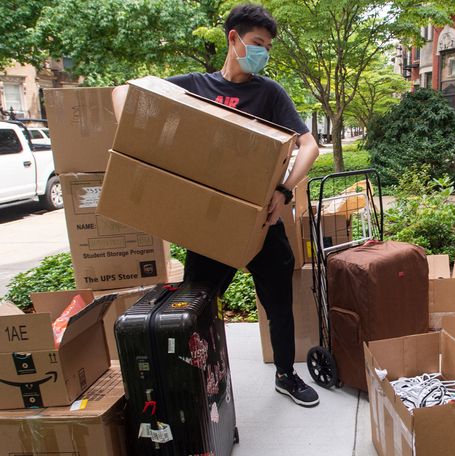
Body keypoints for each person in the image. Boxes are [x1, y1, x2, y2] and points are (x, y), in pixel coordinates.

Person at [112, 3, 321, 407]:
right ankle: (199, 381)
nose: (263, 53)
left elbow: (309, 145)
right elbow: (123, 92)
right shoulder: (195, 86)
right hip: (209, 226)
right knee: (198, 310)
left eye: (267, 47)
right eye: (257, 43)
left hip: (263, 220)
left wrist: (284, 191)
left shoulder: (269, 93)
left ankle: (285, 374)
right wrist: (142, 137)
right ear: (234, 39)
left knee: (279, 304)